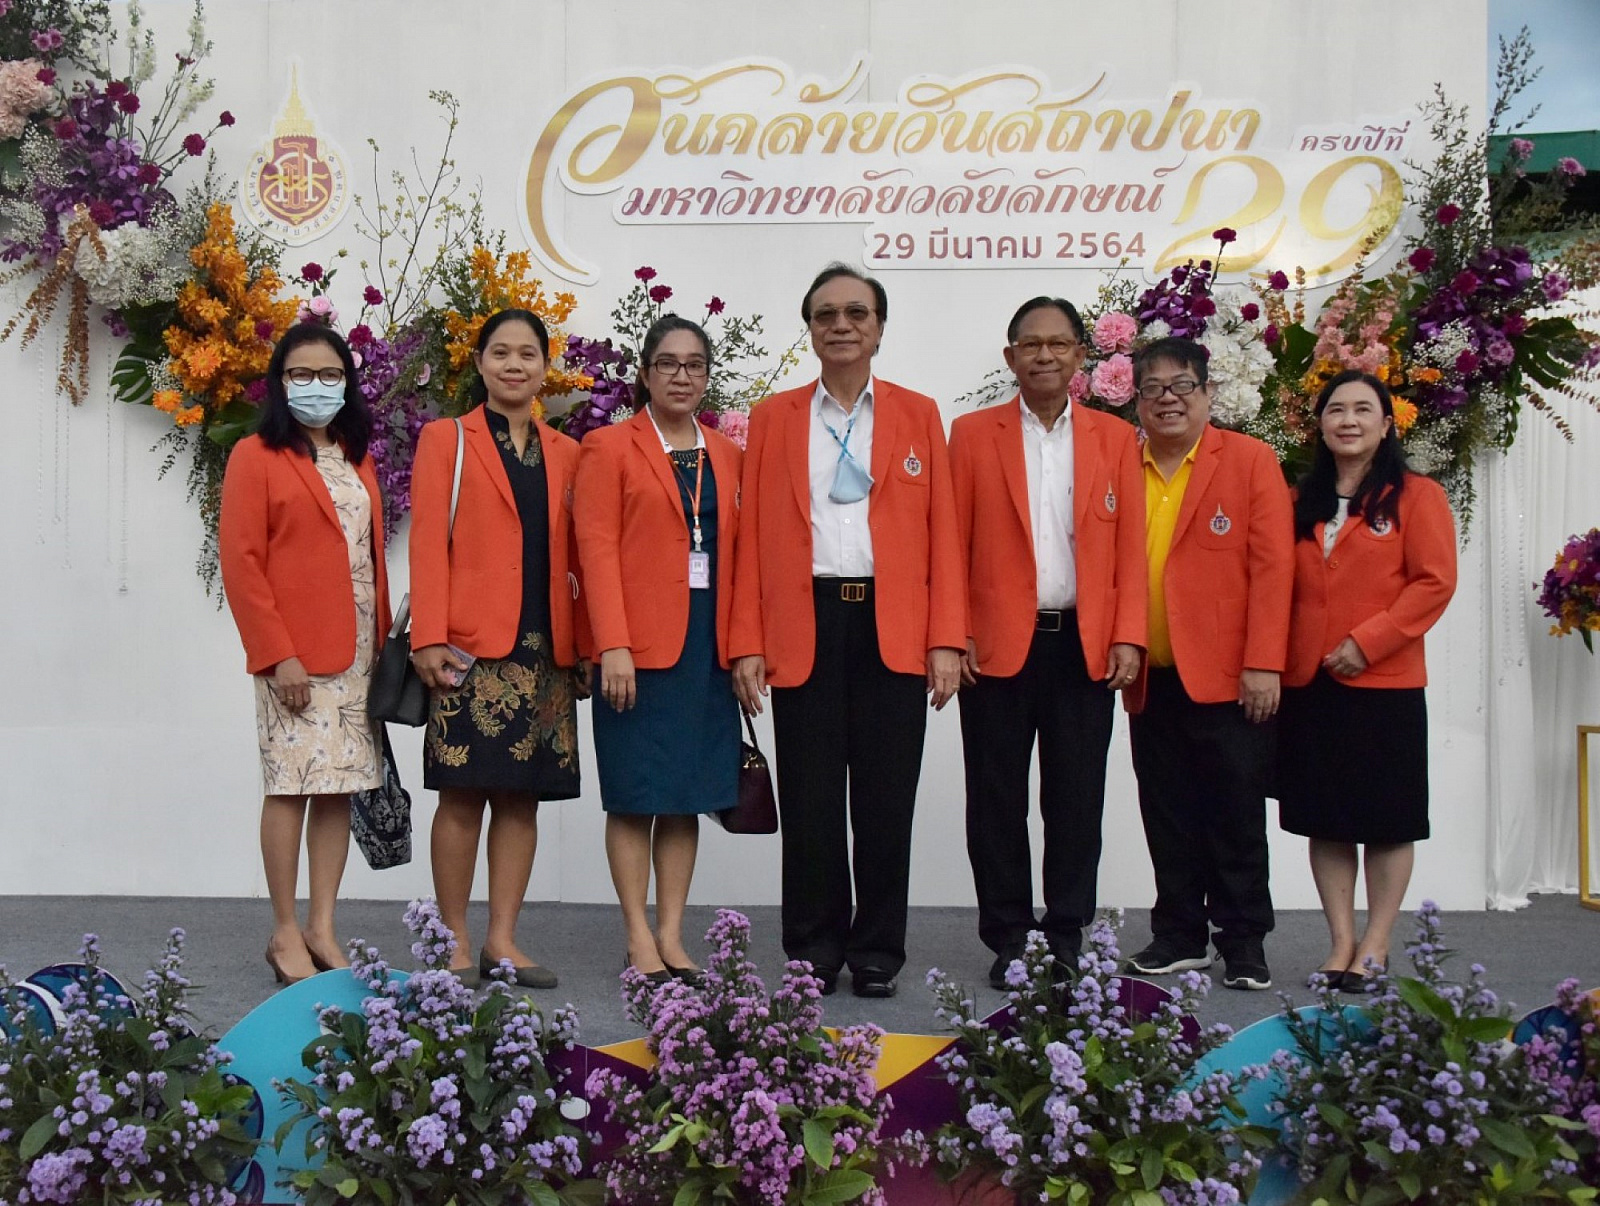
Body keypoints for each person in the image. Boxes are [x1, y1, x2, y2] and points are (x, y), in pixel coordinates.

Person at [730, 262, 964, 999]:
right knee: (811, 802)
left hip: (893, 627)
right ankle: (812, 949)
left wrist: (946, 638)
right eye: (826, 314)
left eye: (856, 313)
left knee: (887, 802)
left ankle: (877, 951)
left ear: (879, 328)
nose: (841, 325)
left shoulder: (918, 413)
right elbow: (748, 540)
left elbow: (943, 532)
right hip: (804, 624)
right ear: (809, 329)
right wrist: (747, 642)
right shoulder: (773, 417)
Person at [949, 297, 1147, 989]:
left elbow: (1130, 547)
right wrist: (954, 632)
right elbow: (950, 543)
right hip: (995, 647)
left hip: (1082, 645)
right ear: (1010, 358)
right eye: (1030, 345)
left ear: (1080, 356)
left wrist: (1128, 633)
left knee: (1076, 799)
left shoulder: (1114, 439)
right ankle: (1008, 936)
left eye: (1058, 344)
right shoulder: (972, 435)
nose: (1044, 355)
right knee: (996, 800)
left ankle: (1066, 934)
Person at [409, 308, 587, 988]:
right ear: (480, 363)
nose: (515, 365)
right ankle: (453, 939)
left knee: (521, 800)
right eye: (501, 353)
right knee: (461, 797)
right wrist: (428, 635)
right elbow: (428, 543)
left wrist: (584, 645)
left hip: (545, 652)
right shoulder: (446, 440)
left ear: (545, 368)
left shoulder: (568, 453)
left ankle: (502, 939)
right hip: (467, 650)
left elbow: (580, 557)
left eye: (528, 354)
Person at [220, 323, 390, 986]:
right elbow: (242, 564)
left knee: (339, 787)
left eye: (329, 375)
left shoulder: (356, 455)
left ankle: (323, 924)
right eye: (301, 374)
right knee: (290, 786)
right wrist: (275, 654)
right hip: (293, 654)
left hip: (359, 650)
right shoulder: (255, 456)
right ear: (280, 382)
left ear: (347, 382)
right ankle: (285, 930)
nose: (316, 386)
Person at [574, 315, 742, 985]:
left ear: (707, 377)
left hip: (705, 647)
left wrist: (745, 648)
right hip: (635, 651)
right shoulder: (608, 447)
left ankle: (672, 933)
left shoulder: (727, 454)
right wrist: (611, 643)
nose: (681, 375)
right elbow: (595, 549)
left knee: (685, 794)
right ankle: (637, 933)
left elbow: (741, 557)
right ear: (645, 373)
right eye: (668, 363)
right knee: (634, 794)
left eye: (695, 364)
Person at [1122, 336, 1293, 991]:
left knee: (1235, 813)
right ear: (1136, 399)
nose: (1167, 399)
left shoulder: (1248, 459)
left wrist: (1264, 662)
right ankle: (1178, 935)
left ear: (1208, 393)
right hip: (1149, 674)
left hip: (1230, 677)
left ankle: (1244, 940)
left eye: (1181, 386)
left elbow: (1274, 569)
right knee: (1165, 812)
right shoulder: (1122, 462)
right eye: (1152, 388)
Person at [1279, 370, 1457, 991]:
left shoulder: (1418, 496)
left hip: (1385, 684)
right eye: (1336, 410)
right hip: (1310, 682)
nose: (1348, 420)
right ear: (1320, 424)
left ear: (1386, 424)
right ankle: (1340, 944)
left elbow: (1434, 582)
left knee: (1387, 818)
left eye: (1362, 409)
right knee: (1325, 818)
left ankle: (1376, 943)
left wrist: (1368, 642)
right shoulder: (1298, 499)